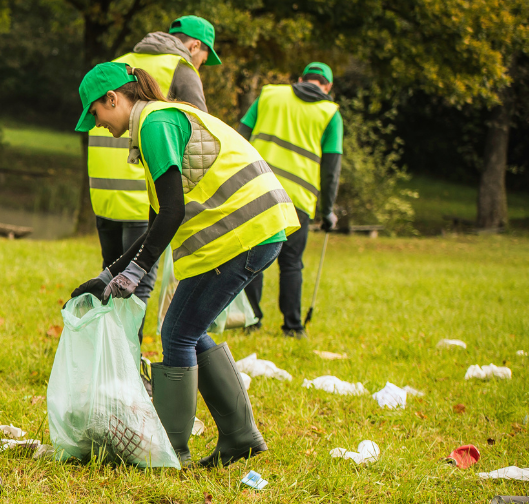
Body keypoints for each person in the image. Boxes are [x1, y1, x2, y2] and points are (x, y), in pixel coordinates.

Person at [70, 63, 300, 467]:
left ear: (113, 99)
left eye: (96, 114)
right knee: (187, 330)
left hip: (244, 233)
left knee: (177, 332)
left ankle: (171, 450)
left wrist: (135, 272)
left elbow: (172, 211)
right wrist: (109, 275)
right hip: (254, 230)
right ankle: (239, 438)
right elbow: (157, 221)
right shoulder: (157, 123)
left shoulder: (155, 124)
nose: (97, 124)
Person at [85, 15, 222, 306]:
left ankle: (118, 352)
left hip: (103, 193)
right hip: (145, 194)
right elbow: (201, 136)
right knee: (136, 286)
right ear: (195, 46)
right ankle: (129, 353)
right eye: (205, 58)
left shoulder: (118, 63)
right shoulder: (181, 70)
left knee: (111, 283)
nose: (201, 66)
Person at [236, 62, 344, 338]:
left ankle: (250, 321)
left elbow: (240, 138)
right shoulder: (331, 114)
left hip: (258, 188)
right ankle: (293, 327)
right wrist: (328, 211)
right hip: (297, 200)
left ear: (300, 79)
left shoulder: (270, 94)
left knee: (252, 257)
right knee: (292, 263)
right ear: (328, 87)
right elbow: (332, 170)